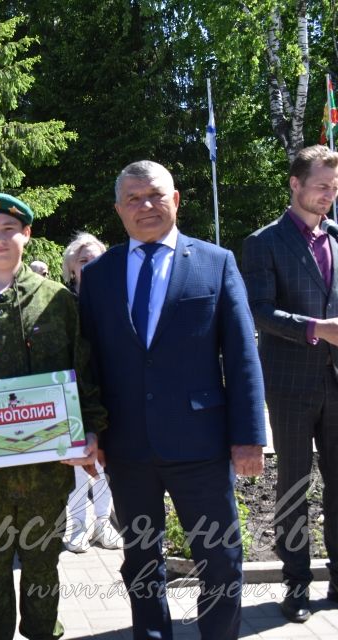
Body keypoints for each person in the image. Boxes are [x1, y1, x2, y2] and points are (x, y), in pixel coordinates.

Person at [78, 160, 266, 640]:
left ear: (176, 199)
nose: (146, 206)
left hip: (202, 446)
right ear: (119, 210)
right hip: (127, 448)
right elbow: (88, 364)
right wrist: (91, 431)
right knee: (141, 563)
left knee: (220, 562)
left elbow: (243, 355)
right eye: (134, 198)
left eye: (156, 195)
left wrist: (249, 438)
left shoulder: (214, 262)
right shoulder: (98, 276)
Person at [0, 192, 106, 640]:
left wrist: (89, 432)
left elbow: (84, 370)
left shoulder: (57, 302)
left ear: (26, 235)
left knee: (43, 561)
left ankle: (43, 632)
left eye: (9, 229)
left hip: (46, 471)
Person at [240, 144, 338, 623]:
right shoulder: (264, 242)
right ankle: (295, 586)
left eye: (334, 188)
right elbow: (257, 310)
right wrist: (316, 329)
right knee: (295, 486)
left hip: (336, 381)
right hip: (291, 382)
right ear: (295, 184)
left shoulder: (337, 237)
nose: (329, 196)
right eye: (321, 186)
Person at [59, 232, 121, 553]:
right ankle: (79, 526)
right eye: (84, 260)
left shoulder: (118, 298)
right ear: (72, 269)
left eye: (96, 258)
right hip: (75, 395)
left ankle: (103, 524)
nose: (91, 264)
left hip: (112, 394)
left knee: (106, 463)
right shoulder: (64, 304)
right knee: (78, 462)